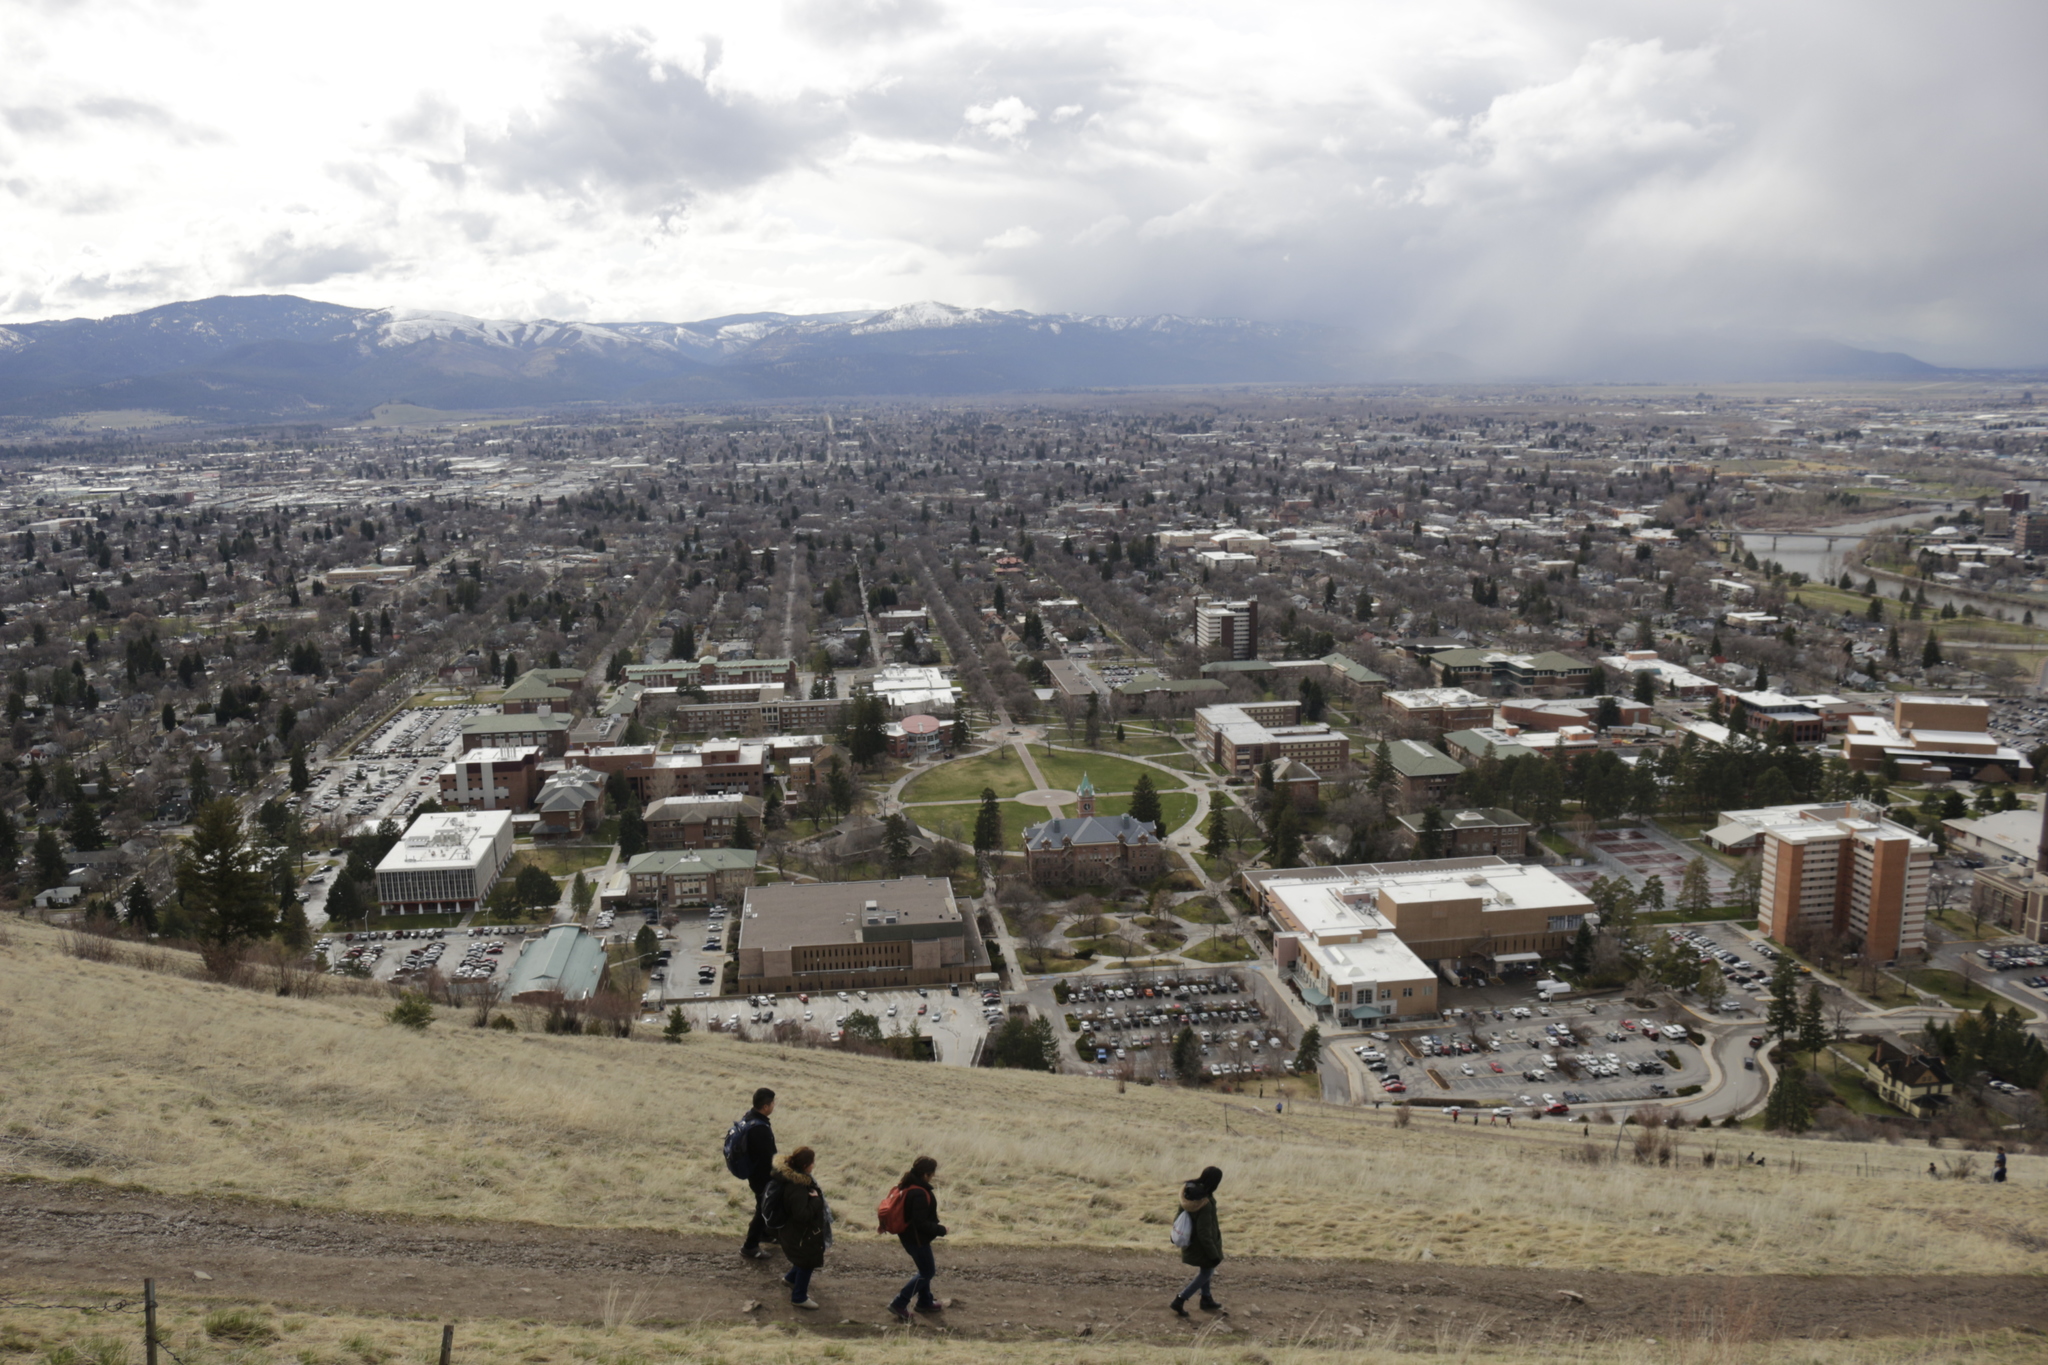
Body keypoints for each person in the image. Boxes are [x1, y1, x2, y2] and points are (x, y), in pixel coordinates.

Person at [762, 1145, 828, 1310]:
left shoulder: (787, 1178)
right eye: (812, 1163)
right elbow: (802, 1215)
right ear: (806, 1166)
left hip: (790, 1231)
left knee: (802, 1257)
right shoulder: (798, 1186)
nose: (814, 1166)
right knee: (807, 1261)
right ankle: (799, 1297)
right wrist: (815, 1201)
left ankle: (790, 1279)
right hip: (800, 1233)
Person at [884, 1156, 948, 1322]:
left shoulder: (909, 1185)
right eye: (933, 1173)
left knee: (924, 1269)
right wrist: (941, 1230)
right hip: (917, 1240)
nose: (933, 1176)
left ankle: (925, 1302)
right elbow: (920, 1223)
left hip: (909, 1238)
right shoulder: (919, 1193)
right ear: (927, 1174)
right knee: (927, 1271)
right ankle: (900, 1302)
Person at [1169, 1165, 1226, 1318]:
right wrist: (1214, 1253)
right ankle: (1180, 1299)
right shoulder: (1205, 1203)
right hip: (1203, 1245)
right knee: (1207, 1272)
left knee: (1206, 1270)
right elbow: (1205, 1233)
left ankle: (1206, 1298)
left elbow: (1179, 1216)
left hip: (1190, 1241)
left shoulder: (1189, 1193)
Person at [736, 1087, 778, 1260]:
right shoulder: (759, 1128)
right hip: (762, 1176)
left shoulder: (750, 1117)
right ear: (766, 1106)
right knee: (763, 1209)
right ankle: (750, 1246)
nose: (775, 1106)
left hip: (753, 1172)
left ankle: (765, 1234)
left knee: (763, 1205)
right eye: (773, 1103)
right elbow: (768, 1157)